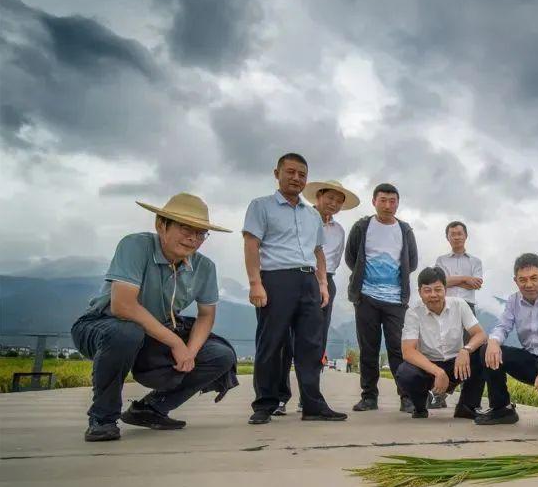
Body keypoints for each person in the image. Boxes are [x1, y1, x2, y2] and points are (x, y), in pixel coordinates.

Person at [71, 193, 238, 442]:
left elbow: (206, 316)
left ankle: (151, 409)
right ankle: (102, 418)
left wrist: (190, 351)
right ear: (161, 224)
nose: (193, 238)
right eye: (185, 228)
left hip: (156, 331)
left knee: (221, 355)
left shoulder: (205, 267)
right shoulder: (135, 246)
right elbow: (123, 306)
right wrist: (175, 343)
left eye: (201, 233)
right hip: (102, 326)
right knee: (126, 332)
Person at [242, 153, 346, 424]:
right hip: (276, 279)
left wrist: (322, 283)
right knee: (271, 343)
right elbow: (251, 244)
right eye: (290, 172)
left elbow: (318, 251)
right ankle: (265, 403)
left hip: (308, 280)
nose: (296, 178)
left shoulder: (311, 215)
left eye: (302, 174)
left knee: (311, 345)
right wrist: (255, 283)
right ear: (277, 173)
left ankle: (313, 404)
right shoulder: (261, 206)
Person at [274, 179, 360, 415]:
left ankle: (309, 398)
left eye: (338, 201)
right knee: (284, 340)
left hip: (324, 282)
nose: (333, 204)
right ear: (318, 197)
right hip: (295, 277)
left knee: (315, 343)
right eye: (329, 198)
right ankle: (279, 397)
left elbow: (334, 260)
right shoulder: (299, 218)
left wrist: (324, 282)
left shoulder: (340, 231)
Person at [344, 183, 419, 412]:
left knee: (399, 348)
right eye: (383, 200)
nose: (388, 205)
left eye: (392, 201)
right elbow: (351, 258)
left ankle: (406, 396)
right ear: (374, 202)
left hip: (396, 300)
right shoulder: (362, 227)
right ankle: (369, 397)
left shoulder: (405, 230)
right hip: (366, 297)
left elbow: (412, 262)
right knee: (369, 348)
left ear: (398, 203)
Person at [482, 253, 538, 427]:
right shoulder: (513, 301)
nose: (528, 284)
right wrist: (493, 342)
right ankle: (501, 409)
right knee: (487, 350)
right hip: (530, 360)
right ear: (516, 281)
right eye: (523, 280)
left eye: (534, 278)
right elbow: (502, 326)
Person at [396, 267, 487, 419]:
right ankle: (419, 407)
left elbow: (480, 334)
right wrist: (437, 371)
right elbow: (408, 351)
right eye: (427, 290)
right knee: (405, 373)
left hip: (456, 364)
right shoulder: (413, 312)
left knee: (482, 352)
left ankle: (467, 407)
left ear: (445, 289)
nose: (433, 295)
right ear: (420, 292)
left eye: (438, 289)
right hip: (428, 366)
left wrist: (466, 350)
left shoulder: (459, 305)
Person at [435, 221, 483, 313]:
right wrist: (466, 278)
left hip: (468, 306)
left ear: (466, 236)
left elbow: (476, 284)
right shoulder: (441, 260)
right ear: (447, 238)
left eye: (460, 234)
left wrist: (450, 281)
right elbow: (439, 284)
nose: (456, 237)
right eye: (452, 234)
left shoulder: (476, 261)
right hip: (446, 306)